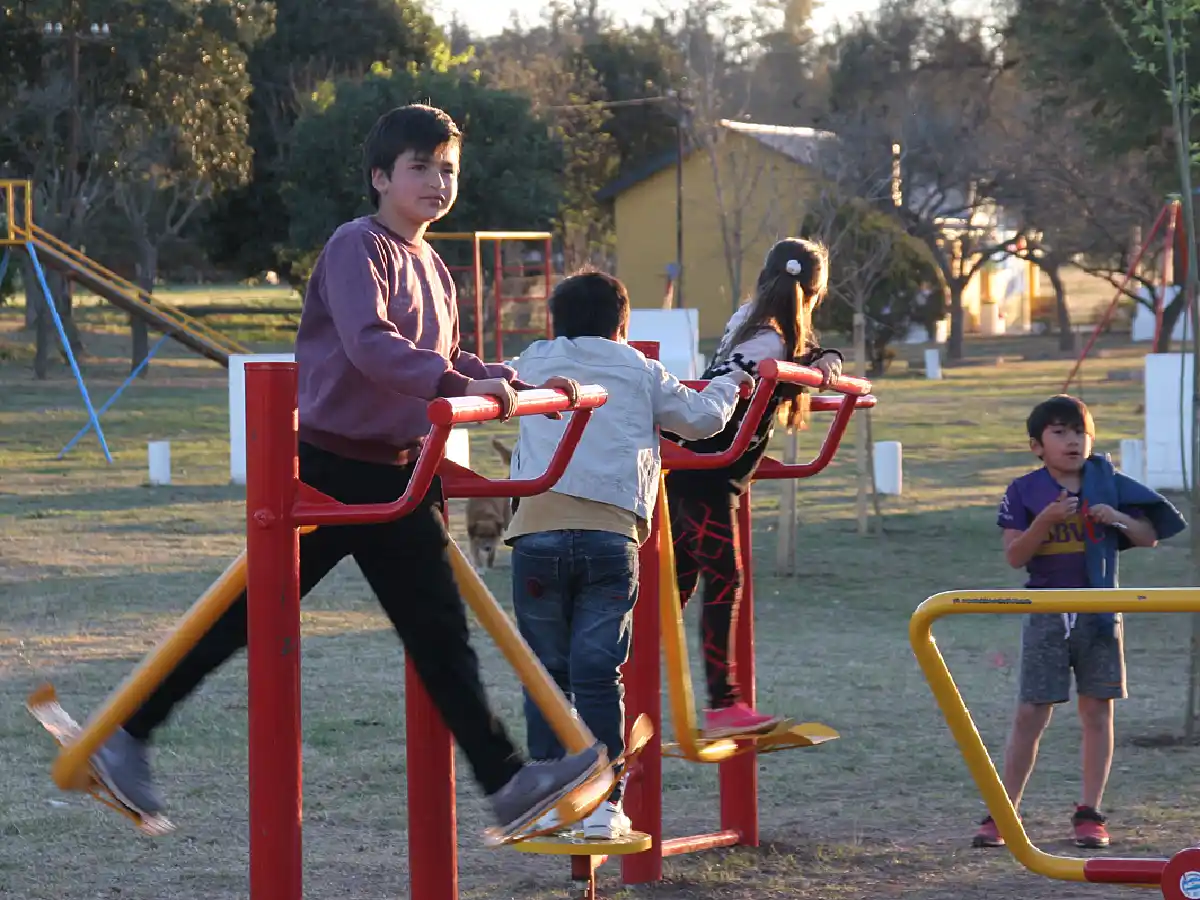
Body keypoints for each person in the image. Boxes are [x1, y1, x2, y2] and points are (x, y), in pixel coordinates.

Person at [89, 104, 607, 844]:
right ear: (379, 177)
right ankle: (126, 735)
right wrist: (457, 387)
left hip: (401, 472)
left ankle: (507, 782)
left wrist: (495, 379)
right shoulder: (355, 248)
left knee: (437, 630)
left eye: (449, 169)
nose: (437, 182)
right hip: (329, 469)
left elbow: (446, 359)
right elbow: (371, 345)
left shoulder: (432, 264)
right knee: (254, 613)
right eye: (421, 167)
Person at [505, 269, 753, 839]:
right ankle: (601, 807)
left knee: (546, 674)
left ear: (555, 322)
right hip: (609, 539)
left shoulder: (533, 361)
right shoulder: (638, 369)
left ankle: (548, 798)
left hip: (538, 534)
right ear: (623, 325)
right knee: (598, 674)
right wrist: (728, 385)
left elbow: (495, 389)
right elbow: (702, 421)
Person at [972, 394, 1186, 850]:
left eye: (1080, 432)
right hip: (1045, 612)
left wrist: (1120, 519)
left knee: (1098, 709)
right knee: (1031, 712)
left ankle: (1089, 813)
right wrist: (1046, 521)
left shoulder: (1108, 484)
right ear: (1037, 445)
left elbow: (1148, 537)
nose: (1073, 441)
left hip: (1100, 610)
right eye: (1060, 432)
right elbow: (1015, 556)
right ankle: (1002, 811)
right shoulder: (1024, 491)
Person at [663, 237, 844, 739]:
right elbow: (783, 364)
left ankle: (624, 667)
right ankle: (722, 704)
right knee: (723, 578)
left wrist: (822, 356)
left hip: (701, 463)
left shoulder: (755, 322)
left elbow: (800, 359)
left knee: (681, 579)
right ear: (815, 292)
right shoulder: (770, 338)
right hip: (708, 469)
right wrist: (819, 363)